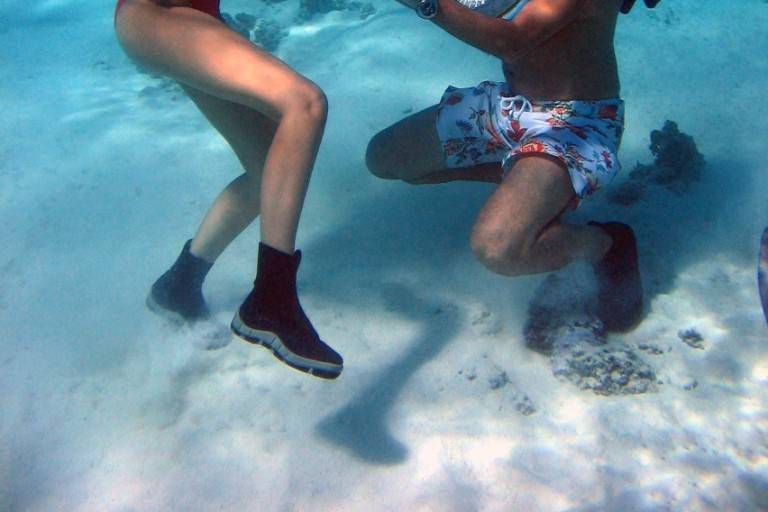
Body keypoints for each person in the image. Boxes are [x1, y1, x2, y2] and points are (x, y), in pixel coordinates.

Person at [366, 0, 660, 332]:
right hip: (508, 107)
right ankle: (525, 179)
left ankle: (605, 243)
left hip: (575, 123)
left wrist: (428, 4)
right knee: (385, 159)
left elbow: (512, 41)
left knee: (498, 248)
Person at [114, 0, 343, 379]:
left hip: (190, 18)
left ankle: (178, 285)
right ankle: (272, 299)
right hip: (156, 14)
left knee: (271, 166)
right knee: (305, 103)